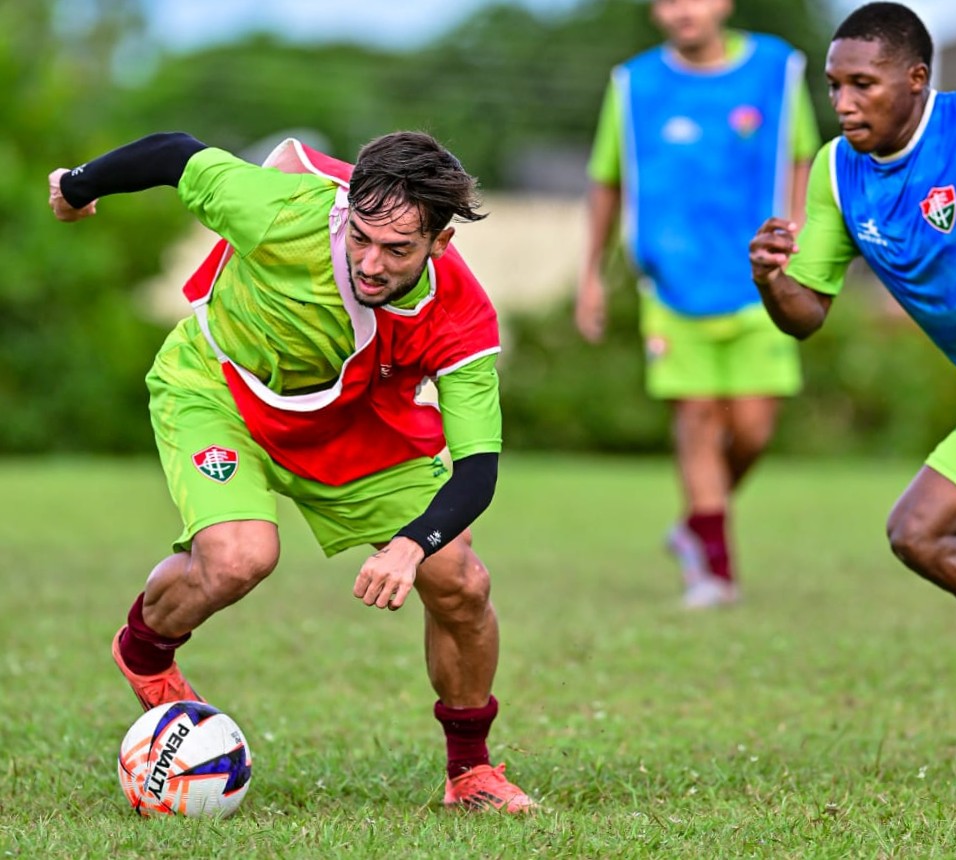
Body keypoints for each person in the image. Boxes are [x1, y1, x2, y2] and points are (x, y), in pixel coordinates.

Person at [48, 130, 534, 814]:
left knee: (459, 579)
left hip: (354, 425)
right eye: (361, 237)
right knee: (240, 558)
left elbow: (478, 469)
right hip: (218, 390)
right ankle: (145, 651)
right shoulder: (283, 211)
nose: (370, 262)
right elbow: (171, 154)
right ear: (347, 211)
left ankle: (471, 772)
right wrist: (76, 188)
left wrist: (410, 545)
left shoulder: (459, 316)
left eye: (397, 250)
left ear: (439, 244)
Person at [749, 2, 956, 622]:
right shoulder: (837, 171)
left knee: (922, 527)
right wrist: (771, 278)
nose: (844, 102)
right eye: (835, 85)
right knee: (919, 534)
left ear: (915, 79)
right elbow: (806, 314)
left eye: (863, 84)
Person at [576, 0, 821, 607]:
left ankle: (694, 525)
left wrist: (801, 239)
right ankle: (715, 568)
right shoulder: (633, 85)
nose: (682, 9)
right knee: (697, 421)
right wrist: (591, 275)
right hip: (672, 284)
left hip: (758, 281)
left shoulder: (776, 69)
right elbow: (607, 181)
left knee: (753, 429)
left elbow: (802, 158)